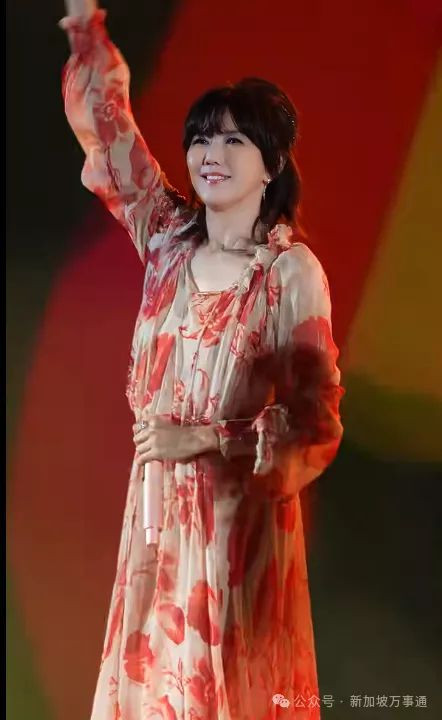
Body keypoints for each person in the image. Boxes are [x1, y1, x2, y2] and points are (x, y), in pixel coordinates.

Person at [60, 1, 345, 718]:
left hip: (236, 533)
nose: (211, 153)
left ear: (271, 164)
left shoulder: (289, 274)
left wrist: (207, 438)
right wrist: (85, 25)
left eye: (234, 140)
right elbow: (113, 142)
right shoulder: (168, 243)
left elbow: (315, 424)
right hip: (156, 521)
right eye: (200, 139)